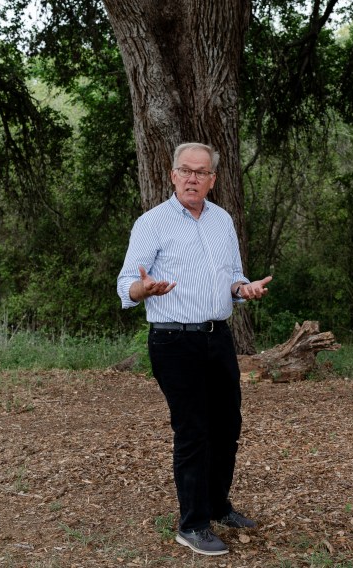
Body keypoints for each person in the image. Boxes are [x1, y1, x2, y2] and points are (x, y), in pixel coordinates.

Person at [117, 142, 273, 556]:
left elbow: (233, 278)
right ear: (172, 175)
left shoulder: (222, 220)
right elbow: (125, 286)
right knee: (194, 431)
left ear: (212, 180)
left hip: (218, 337)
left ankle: (218, 505)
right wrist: (143, 288)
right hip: (173, 340)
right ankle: (192, 525)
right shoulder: (152, 223)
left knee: (227, 426)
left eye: (201, 172)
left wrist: (245, 288)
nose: (192, 178)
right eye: (185, 170)